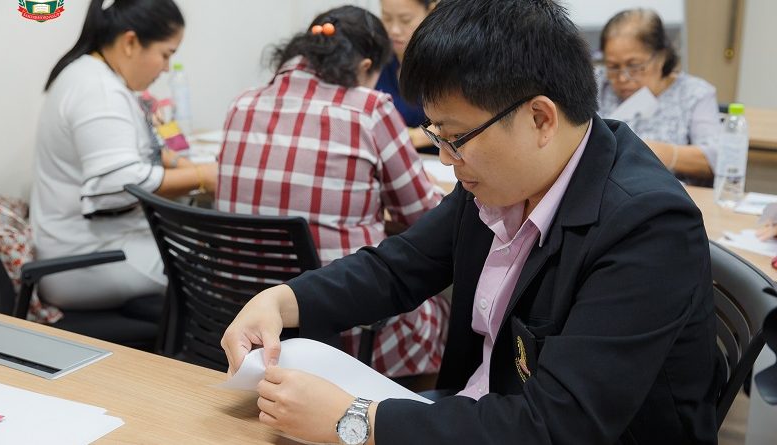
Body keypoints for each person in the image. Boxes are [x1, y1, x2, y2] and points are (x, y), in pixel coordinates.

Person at [221, 0, 721, 444]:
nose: (445, 158)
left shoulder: (647, 226)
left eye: (455, 137)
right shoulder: (503, 181)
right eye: (437, 135)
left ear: (540, 118)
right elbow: (399, 267)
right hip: (479, 410)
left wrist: (355, 420)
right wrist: (283, 300)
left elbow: (560, 425)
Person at [216, 5, 448, 378]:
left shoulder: (242, 102)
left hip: (246, 328)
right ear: (364, 67)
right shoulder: (368, 110)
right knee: (442, 307)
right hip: (345, 334)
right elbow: (424, 218)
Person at [31, 0, 217, 310]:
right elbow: (119, 181)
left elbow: (135, 149)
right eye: (165, 54)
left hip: (90, 246)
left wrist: (185, 165)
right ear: (130, 42)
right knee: (217, 268)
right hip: (88, 260)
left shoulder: (92, 75)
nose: (166, 68)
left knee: (200, 248)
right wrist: (202, 176)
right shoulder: (99, 91)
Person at [597, 8, 721, 185]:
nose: (623, 78)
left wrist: (658, 152)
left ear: (661, 57)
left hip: (668, 193)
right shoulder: (599, 85)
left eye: (634, 66)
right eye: (613, 67)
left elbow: (716, 157)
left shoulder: (695, 93)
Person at [376, 0, 438, 151]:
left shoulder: (448, 60)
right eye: (387, 18)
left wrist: (409, 138)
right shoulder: (377, 57)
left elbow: (462, 120)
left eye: (405, 20)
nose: (394, 30)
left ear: (431, 12)